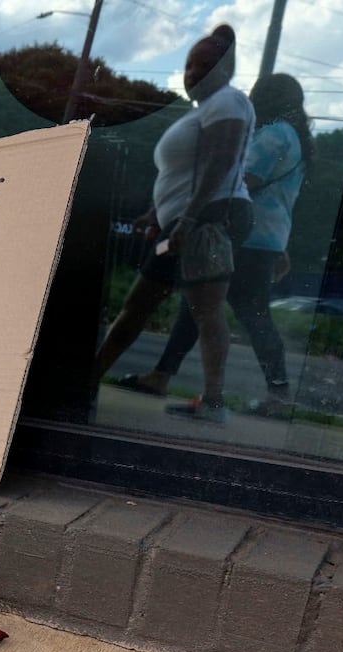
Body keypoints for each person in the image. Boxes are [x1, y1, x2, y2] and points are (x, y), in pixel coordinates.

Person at [112, 74, 312, 417]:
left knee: (241, 312)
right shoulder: (296, 139)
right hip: (264, 238)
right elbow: (278, 200)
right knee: (206, 305)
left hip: (240, 236)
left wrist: (190, 209)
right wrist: (280, 246)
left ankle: (276, 396)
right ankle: (164, 376)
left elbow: (239, 181)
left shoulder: (275, 135)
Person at [93, 25, 254, 423]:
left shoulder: (227, 101)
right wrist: (155, 213)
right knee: (146, 305)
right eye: (188, 64)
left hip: (203, 222)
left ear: (226, 69)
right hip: (185, 222)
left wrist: (189, 218)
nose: (193, 72)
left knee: (201, 308)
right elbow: (185, 173)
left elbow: (222, 160)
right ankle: (87, 378)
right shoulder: (207, 108)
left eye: (205, 64)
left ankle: (214, 402)